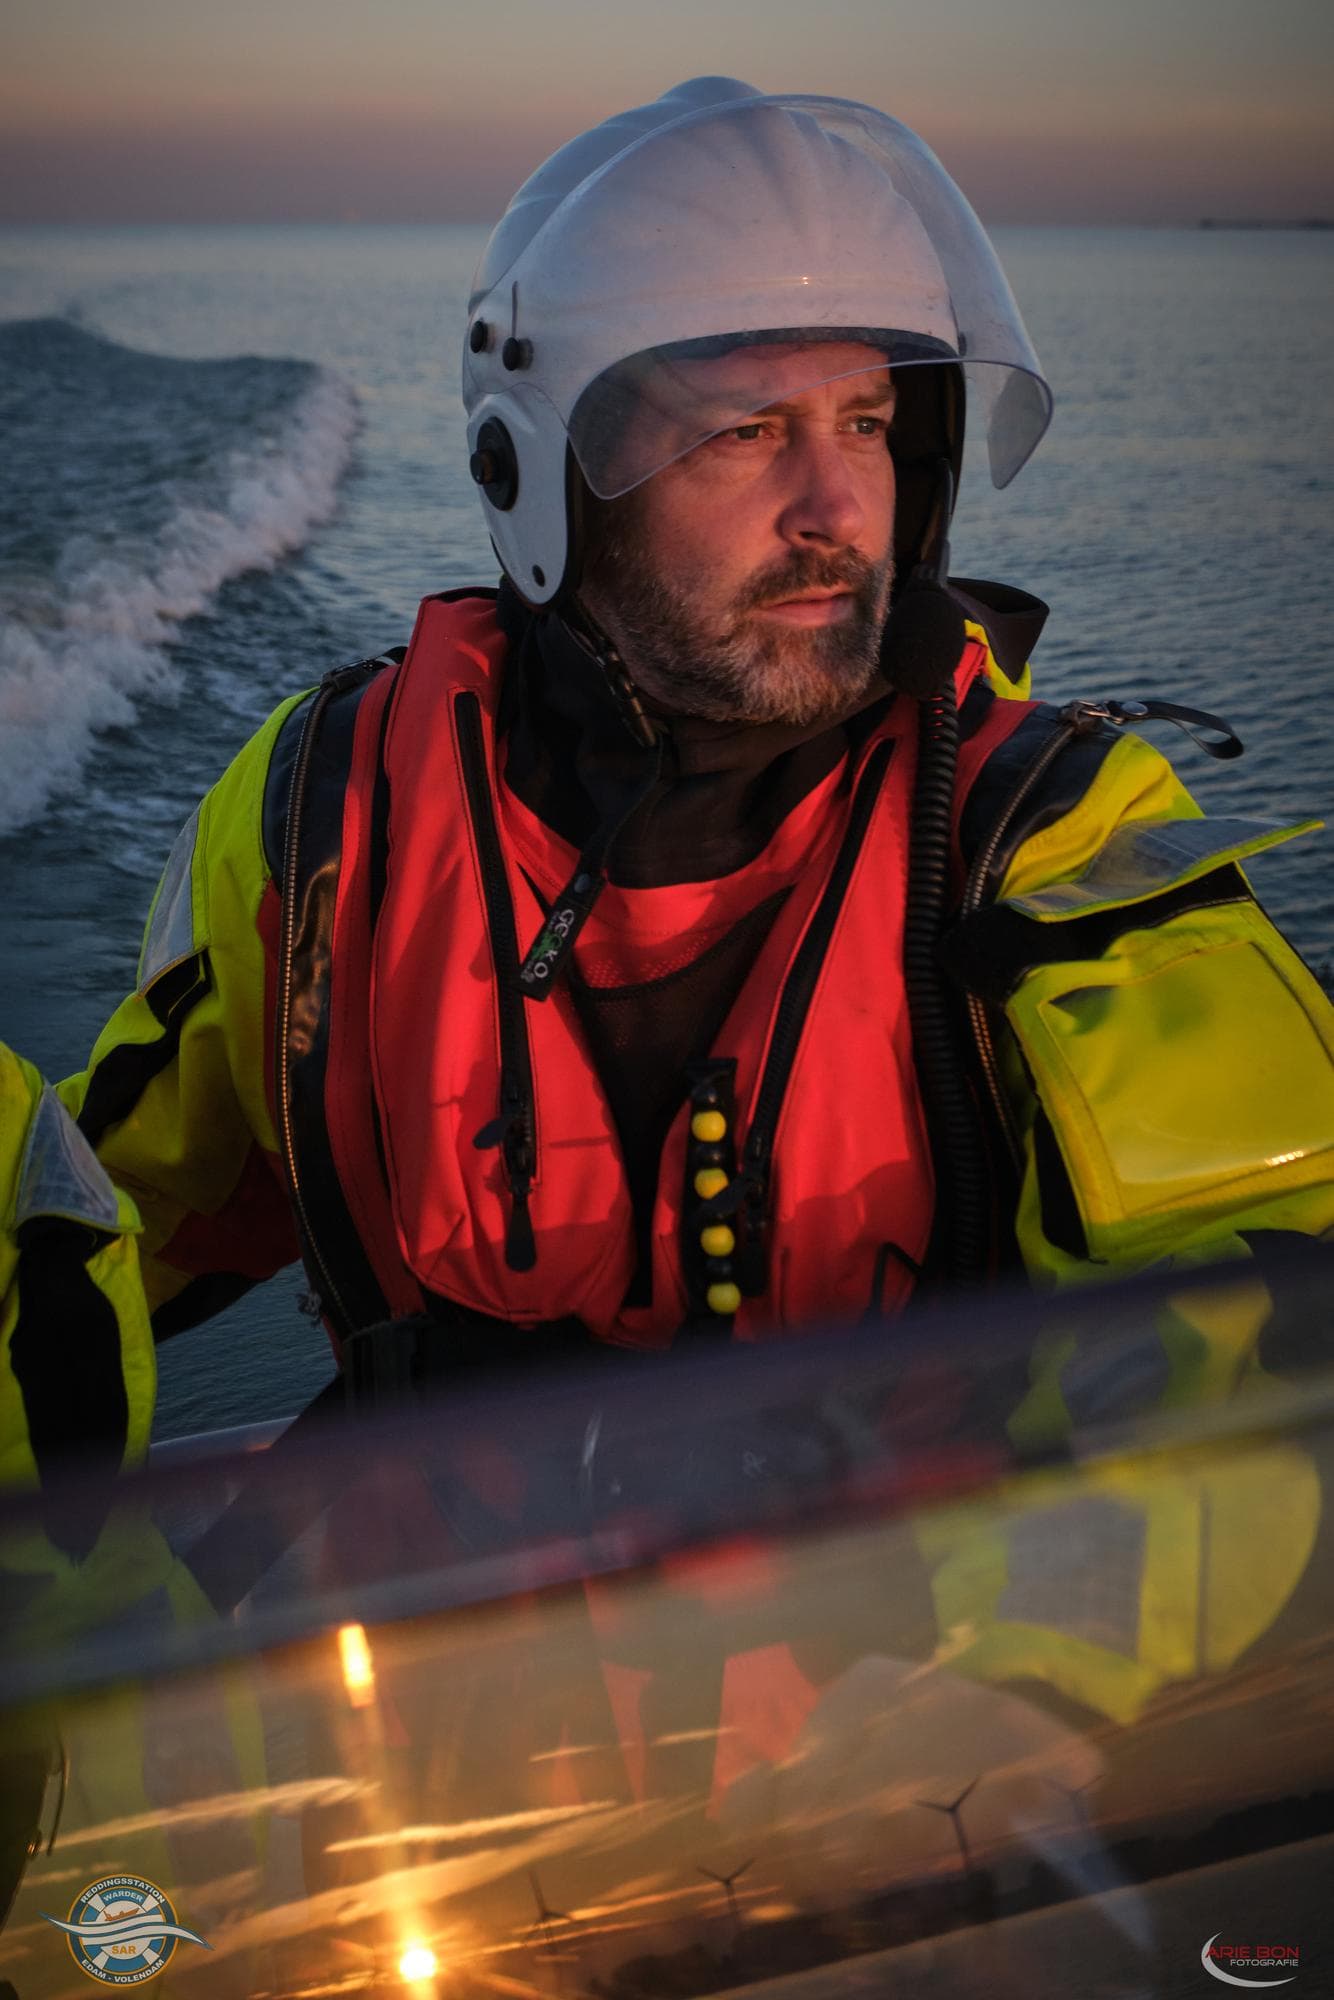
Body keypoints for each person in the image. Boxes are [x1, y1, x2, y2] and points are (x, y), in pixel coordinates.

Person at [40, 78, 1334, 1723]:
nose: (833, 511)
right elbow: (104, 1218)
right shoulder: (325, 809)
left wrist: (1039, 1674)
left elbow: (1248, 1307)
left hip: (894, 1783)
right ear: (543, 477)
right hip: (386, 1762)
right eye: (743, 430)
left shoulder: (1051, 838)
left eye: (867, 423)